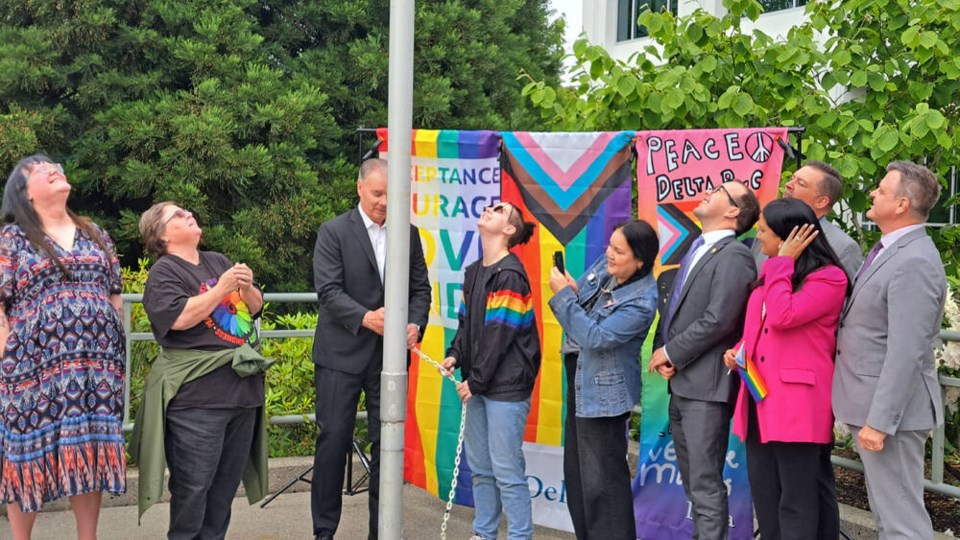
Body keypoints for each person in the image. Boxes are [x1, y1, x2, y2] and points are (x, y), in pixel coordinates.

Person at [0, 155, 126, 540]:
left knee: (89, 448)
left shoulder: (95, 233)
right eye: (41, 170)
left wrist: (113, 343)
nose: (54, 170)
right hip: (31, 370)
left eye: (56, 166)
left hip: (96, 369)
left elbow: (115, 293)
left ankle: (88, 538)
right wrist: (6, 354)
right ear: (25, 193)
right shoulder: (11, 238)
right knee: (25, 455)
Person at [131, 201, 272, 540]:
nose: (188, 214)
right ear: (162, 235)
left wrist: (248, 287)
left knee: (223, 492)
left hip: (241, 392)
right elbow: (177, 318)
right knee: (194, 489)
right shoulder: (164, 272)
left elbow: (254, 308)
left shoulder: (217, 261)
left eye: (187, 211)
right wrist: (223, 288)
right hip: (197, 400)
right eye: (177, 215)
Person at [311, 158, 432, 540]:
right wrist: (367, 318)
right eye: (377, 193)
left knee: (388, 444)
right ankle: (324, 531)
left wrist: (414, 323)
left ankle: (382, 532)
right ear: (360, 188)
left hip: (390, 358)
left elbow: (420, 290)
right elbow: (328, 291)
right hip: (339, 355)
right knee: (333, 441)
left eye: (391, 195)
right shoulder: (333, 231)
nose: (384, 202)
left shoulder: (408, 234)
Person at [833, 161, 946, 539]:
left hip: (891, 415)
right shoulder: (891, 249)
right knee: (887, 518)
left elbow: (906, 350)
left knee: (902, 525)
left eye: (880, 189)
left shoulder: (914, 260)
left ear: (901, 204)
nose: (872, 193)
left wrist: (880, 422)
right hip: (873, 406)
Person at [723, 198, 848, 540]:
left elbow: (783, 317)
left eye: (763, 230)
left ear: (787, 237)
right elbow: (761, 330)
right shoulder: (774, 275)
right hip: (758, 398)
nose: (758, 236)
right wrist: (737, 352)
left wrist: (782, 264)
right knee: (766, 496)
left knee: (797, 499)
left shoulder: (829, 278)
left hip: (797, 405)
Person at [647, 181, 760, 540]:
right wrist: (665, 352)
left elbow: (720, 319)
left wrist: (673, 352)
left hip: (707, 388)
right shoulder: (698, 247)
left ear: (733, 212)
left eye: (720, 191)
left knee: (705, 484)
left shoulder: (735, 255)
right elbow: (676, 310)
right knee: (695, 484)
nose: (709, 191)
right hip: (683, 382)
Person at [546, 220, 658, 540]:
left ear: (640, 260)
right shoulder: (609, 267)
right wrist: (572, 291)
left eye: (619, 251)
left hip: (604, 397)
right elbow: (581, 304)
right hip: (581, 382)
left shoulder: (642, 300)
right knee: (579, 478)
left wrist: (564, 298)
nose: (609, 254)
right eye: (609, 245)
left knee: (603, 485)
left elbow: (594, 336)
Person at [440, 202, 540, 540]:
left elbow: (500, 334)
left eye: (498, 210)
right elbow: (467, 326)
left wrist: (475, 381)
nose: (488, 209)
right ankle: (484, 533)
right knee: (481, 470)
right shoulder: (474, 271)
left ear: (509, 230)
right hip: (479, 384)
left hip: (505, 388)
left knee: (507, 471)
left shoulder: (510, 274)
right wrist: (455, 354)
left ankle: (519, 536)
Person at [752, 161, 862, 279]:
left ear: (821, 202)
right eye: (792, 178)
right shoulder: (768, 229)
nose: (788, 184)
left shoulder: (843, 247)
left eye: (801, 183)